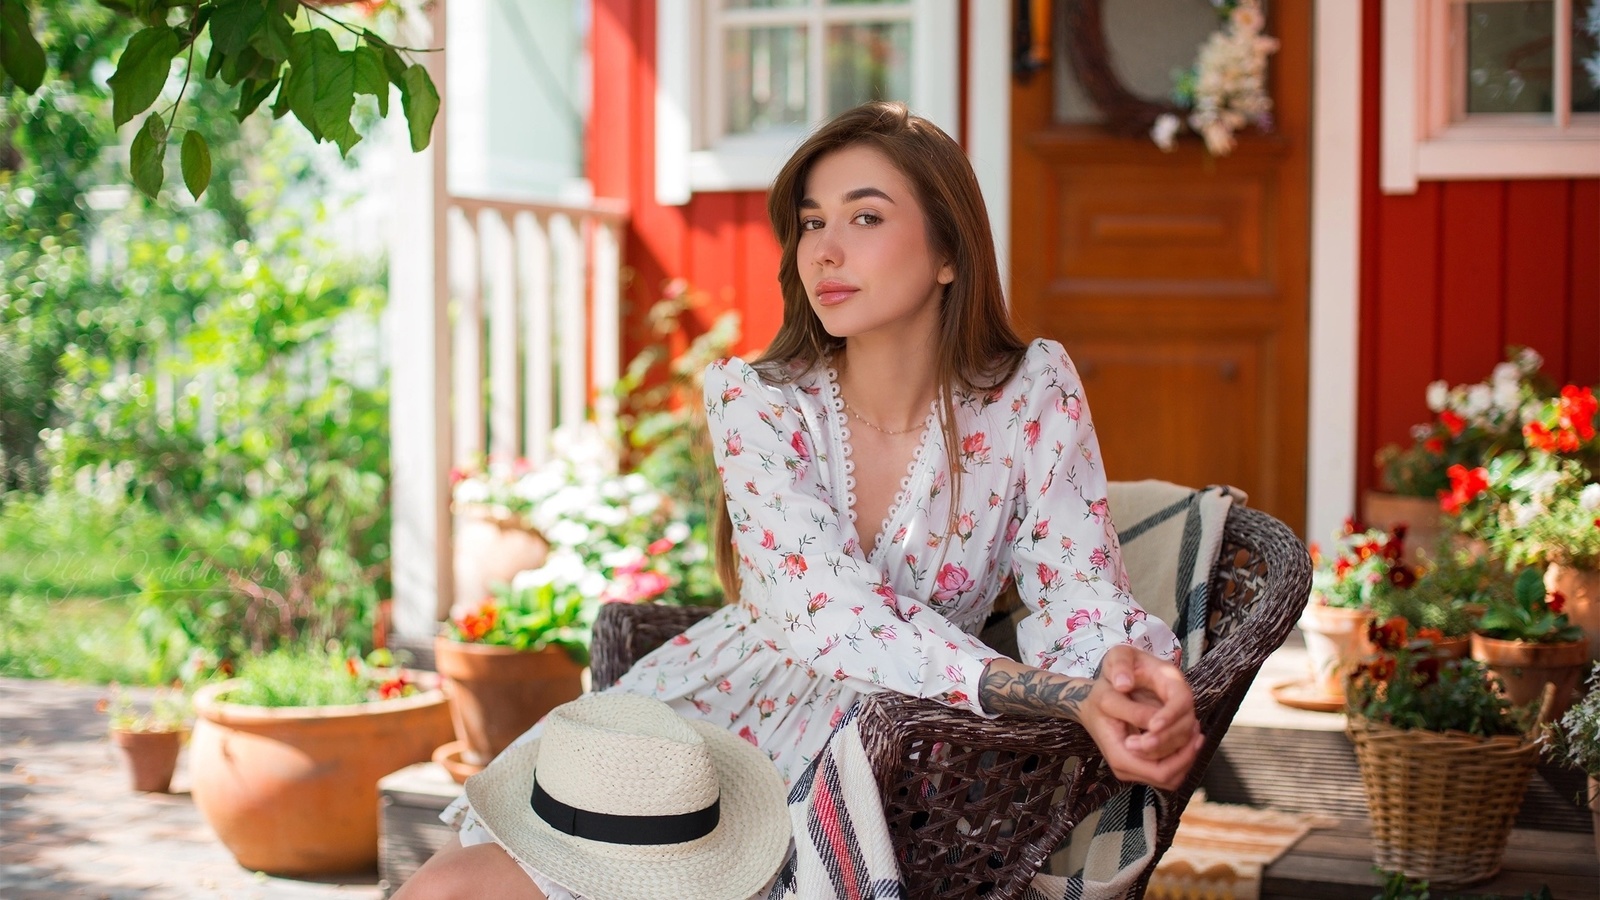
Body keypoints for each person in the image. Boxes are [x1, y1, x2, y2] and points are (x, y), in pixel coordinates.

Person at [396, 100, 1203, 900]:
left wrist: (1120, 679)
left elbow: (1079, 589)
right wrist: (1053, 694)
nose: (826, 250)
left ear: (949, 253)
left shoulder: (1032, 392)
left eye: (866, 217)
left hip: (901, 743)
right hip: (717, 719)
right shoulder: (759, 402)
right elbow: (825, 610)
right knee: (450, 888)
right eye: (812, 222)